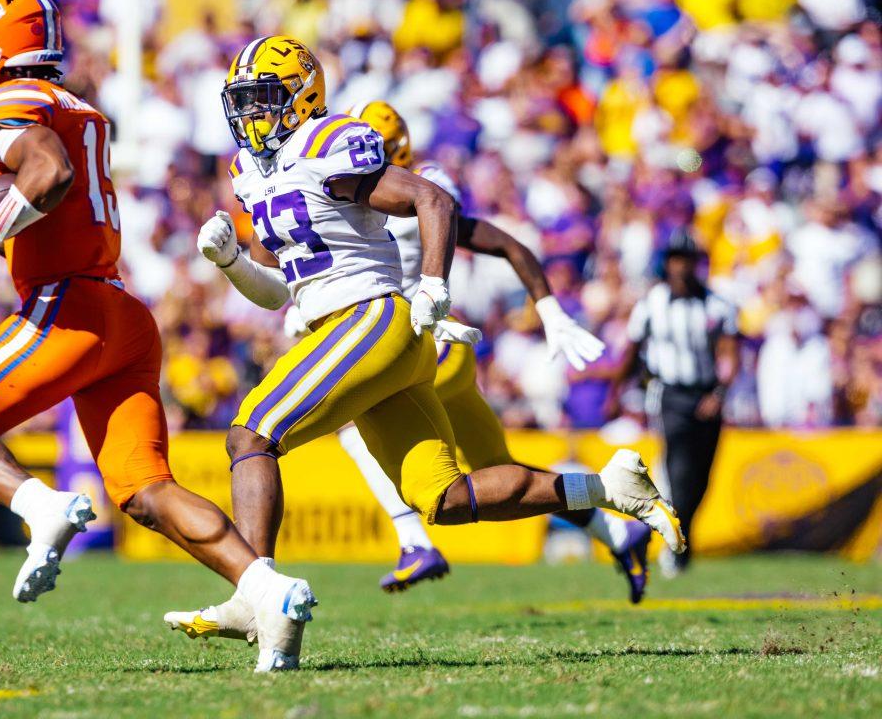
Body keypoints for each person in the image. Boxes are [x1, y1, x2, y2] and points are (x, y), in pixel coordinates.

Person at [166, 37, 685, 669]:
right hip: (357, 327)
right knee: (447, 497)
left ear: (303, 95)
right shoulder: (257, 172)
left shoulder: (326, 141)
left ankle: (258, 592)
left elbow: (432, 200)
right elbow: (283, 291)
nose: (252, 115)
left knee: (252, 434)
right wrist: (230, 264)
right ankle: (607, 488)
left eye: (265, 99)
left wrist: (435, 284)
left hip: (371, 319)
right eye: (243, 102)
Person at [0, 0, 311, 669]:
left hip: (68, 310)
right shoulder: (77, 107)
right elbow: (45, 205)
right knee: (147, 492)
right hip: (118, 313)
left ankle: (40, 508)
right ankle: (268, 590)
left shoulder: (9, 102)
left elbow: (48, 174)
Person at [322, 100, 652, 601]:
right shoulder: (342, 194)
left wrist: (550, 310)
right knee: (499, 471)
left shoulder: (422, 190)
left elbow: (505, 243)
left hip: (431, 342)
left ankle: (414, 543)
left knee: (356, 417)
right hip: (419, 349)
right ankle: (618, 531)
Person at [607, 230, 739, 576]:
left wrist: (719, 394)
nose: (681, 267)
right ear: (667, 264)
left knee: (700, 478)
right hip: (669, 394)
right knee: (677, 470)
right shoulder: (651, 303)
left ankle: (683, 532)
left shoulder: (717, 305)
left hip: (707, 394)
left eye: (687, 259)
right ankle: (673, 544)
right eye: (675, 259)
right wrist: (615, 391)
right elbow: (632, 351)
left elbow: (729, 355)